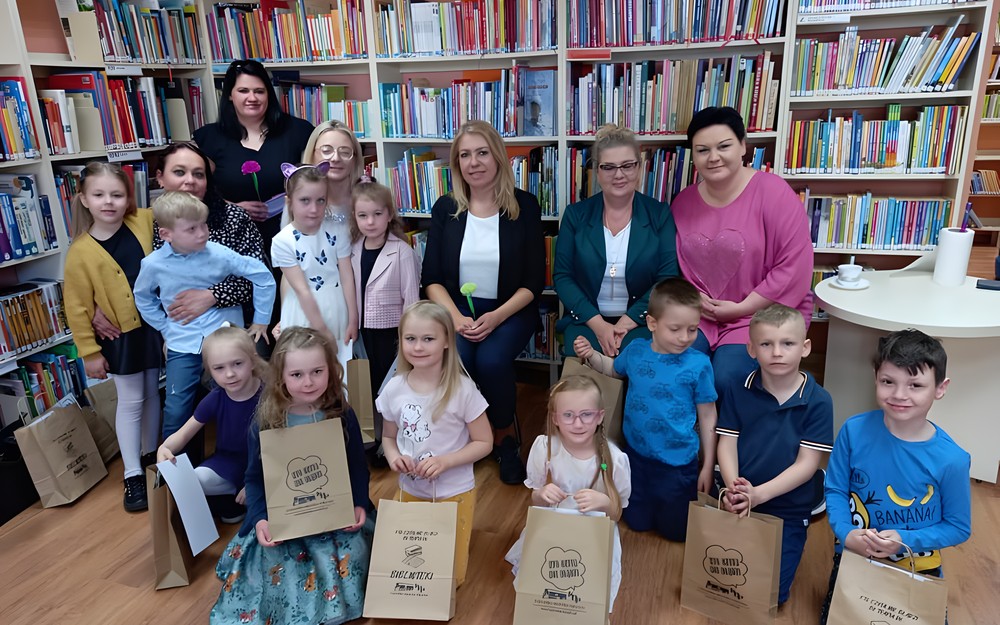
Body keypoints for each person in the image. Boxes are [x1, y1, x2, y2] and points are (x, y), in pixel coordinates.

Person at [210, 327, 374, 625]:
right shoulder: (267, 420)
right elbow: (254, 478)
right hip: (283, 517)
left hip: (336, 513)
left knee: (357, 550)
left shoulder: (340, 412)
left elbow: (356, 466)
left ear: (331, 370)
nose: (308, 382)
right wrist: (260, 519)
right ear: (280, 376)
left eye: (317, 371)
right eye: (297, 374)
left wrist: (359, 503)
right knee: (275, 562)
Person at [421, 120, 544, 484]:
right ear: (457, 163)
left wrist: (495, 317)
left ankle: (504, 437)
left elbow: (533, 283)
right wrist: (456, 318)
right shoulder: (446, 208)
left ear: (498, 157)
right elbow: (431, 280)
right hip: (456, 310)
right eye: (464, 155)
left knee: (490, 361)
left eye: (482, 153)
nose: (473, 163)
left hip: (510, 309)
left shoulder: (524, 206)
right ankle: (466, 438)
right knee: (458, 358)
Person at [819, 329, 971, 624]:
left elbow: (958, 527)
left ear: (940, 388)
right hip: (856, 554)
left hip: (917, 566)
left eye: (915, 385)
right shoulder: (853, 431)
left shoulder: (952, 459)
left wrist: (905, 539)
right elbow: (835, 489)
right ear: (875, 377)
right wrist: (846, 532)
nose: (899, 395)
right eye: (888, 381)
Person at [672, 106, 814, 395]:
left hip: (762, 313)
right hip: (701, 314)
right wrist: (694, 297)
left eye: (724, 146)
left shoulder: (774, 193)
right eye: (702, 150)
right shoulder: (682, 203)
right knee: (676, 367)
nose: (713, 157)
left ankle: (729, 427)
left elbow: (793, 267)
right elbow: (675, 265)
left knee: (729, 377)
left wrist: (742, 307)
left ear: (743, 146)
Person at [574, 277, 717, 541]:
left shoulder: (699, 364)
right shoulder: (636, 350)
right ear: (652, 323)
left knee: (676, 533)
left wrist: (708, 465)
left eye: (693, 329)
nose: (685, 337)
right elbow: (613, 370)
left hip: (678, 464)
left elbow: (708, 415)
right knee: (636, 522)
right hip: (636, 457)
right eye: (675, 329)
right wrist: (591, 355)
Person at [133, 192, 277, 443]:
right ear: (166, 234)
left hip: (225, 340)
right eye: (192, 229)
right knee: (176, 409)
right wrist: (164, 327)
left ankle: (254, 453)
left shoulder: (219, 253)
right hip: (182, 342)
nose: (202, 233)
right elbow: (143, 297)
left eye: (204, 225)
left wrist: (261, 320)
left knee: (244, 399)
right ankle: (173, 465)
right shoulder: (153, 264)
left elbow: (263, 277)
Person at [716, 304, 833, 605]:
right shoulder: (737, 389)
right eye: (766, 344)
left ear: (805, 348)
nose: (777, 353)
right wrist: (734, 489)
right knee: (725, 583)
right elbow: (727, 443)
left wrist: (759, 495)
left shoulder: (819, 401)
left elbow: (807, 464)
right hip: (742, 497)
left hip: (789, 507)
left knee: (771, 597)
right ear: (751, 349)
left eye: (788, 343)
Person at [63, 162, 162, 512]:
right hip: (120, 336)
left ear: (128, 198)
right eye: (99, 195)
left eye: (117, 195)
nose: (109, 202)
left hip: (152, 327)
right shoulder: (80, 251)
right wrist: (89, 352)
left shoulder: (143, 221)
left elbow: (178, 211)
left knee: (152, 392)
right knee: (131, 400)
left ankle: (152, 457)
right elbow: (76, 305)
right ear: (84, 199)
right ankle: (132, 474)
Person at [376, 301, 493, 588]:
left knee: (449, 578)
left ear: (446, 342)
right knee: (413, 569)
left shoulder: (463, 390)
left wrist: (445, 461)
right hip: (410, 491)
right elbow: (389, 438)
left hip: (454, 493)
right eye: (410, 338)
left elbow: (485, 442)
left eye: (428, 338)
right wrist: (393, 457)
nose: (418, 347)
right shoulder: (394, 388)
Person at [504, 375, 631, 611]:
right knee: (544, 588)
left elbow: (617, 513)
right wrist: (541, 494)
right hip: (553, 530)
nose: (578, 424)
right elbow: (534, 501)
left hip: (594, 536)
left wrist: (604, 501)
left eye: (586, 414)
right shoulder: (545, 449)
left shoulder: (615, 459)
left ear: (600, 416)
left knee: (584, 590)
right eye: (568, 415)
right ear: (555, 419)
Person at [554, 123, 679, 359]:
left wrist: (627, 321)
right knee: (584, 373)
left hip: (643, 320)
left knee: (637, 366)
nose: (619, 175)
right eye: (609, 167)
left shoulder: (659, 214)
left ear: (639, 167)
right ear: (597, 171)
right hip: (586, 319)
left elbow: (667, 278)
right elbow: (563, 276)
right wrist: (599, 325)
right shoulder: (575, 215)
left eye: (627, 165)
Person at [193, 59, 314, 247]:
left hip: (293, 236)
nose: (252, 98)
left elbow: (318, 180)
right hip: (233, 237)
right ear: (230, 95)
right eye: (243, 91)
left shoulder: (298, 131)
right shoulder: (208, 138)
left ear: (268, 94)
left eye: (259, 91)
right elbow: (193, 192)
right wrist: (231, 208)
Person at [156, 326, 267, 524]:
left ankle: (246, 500)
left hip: (264, 463)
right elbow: (183, 434)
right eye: (219, 368)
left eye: (237, 364)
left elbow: (282, 447)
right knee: (196, 479)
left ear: (253, 360)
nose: (230, 374)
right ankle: (232, 502)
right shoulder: (215, 398)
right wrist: (164, 448)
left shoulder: (269, 396)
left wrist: (258, 482)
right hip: (229, 462)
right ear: (209, 370)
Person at [350, 178, 421, 463]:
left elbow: (412, 299)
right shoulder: (352, 249)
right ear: (354, 217)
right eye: (363, 215)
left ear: (389, 214)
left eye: (377, 214)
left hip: (391, 331)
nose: (370, 222)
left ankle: (394, 440)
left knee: (390, 385)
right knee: (366, 386)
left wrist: (410, 336)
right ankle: (375, 438)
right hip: (362, 331)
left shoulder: (402, 252)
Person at [271, 162, 358, 367]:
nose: (314, 209)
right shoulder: (283, 241)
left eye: (320, 200)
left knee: (339, 368)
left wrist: (353, 318)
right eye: (305, 201)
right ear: (289, 202)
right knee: (307, 365)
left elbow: (347, 276)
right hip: (304, 311)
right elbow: (302, 290)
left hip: (336, 306)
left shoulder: (337, 231)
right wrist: (323, 331)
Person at [301, 119, 365, 219]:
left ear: (355, 159)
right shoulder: (298, 204)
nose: (336, 158)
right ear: (312, 154)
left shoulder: (371, 202)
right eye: (326, 151)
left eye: (345, 152)